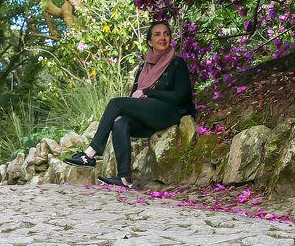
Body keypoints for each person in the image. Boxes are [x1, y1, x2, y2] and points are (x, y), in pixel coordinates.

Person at [64, 20, 196, 188]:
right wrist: (137, 99)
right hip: (149, 117)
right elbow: (133, 98)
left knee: (115, 103)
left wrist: (148, 92)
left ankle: (91, 153)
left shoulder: (177, 63)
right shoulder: (143, 68)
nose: (163, 37)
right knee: (120, 122)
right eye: (157, 34)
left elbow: (181, 96)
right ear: (149, 41)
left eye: (166, 34)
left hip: (170, 113)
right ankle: (124, 178)